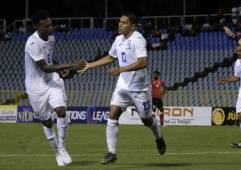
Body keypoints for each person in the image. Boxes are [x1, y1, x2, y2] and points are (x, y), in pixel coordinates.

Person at [79, 12, 166, 164]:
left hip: (140, 88)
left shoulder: (138, 39)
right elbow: (110, 57)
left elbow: (143, 62)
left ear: (132, 26)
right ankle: (111, 153)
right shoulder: (118, 39)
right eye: (119, 22)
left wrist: (120, 70)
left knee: (147, 120)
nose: (120, 24)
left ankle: (158, 137)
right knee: (112, 114)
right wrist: (90, 65)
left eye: (124, 23)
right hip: (123, 85)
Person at [24, 10, 86, 166]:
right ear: (36, 26)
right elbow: (44, 67)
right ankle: (57, 151)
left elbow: (50, 60)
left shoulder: (51, 38)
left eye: (51, 24)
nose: (51, 28)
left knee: (61, 111)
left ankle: (63, 147)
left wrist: (60, 69)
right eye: (47, 26)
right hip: (35, 87)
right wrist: (70, 65)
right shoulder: (32, 43)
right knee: (46, 122)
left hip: (52, 81)